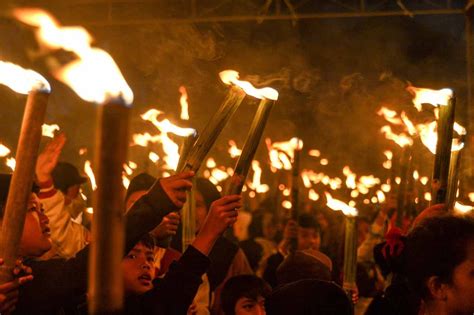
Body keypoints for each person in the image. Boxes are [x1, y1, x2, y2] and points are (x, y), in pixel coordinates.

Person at [8, 170, 195, 314]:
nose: (44, 218)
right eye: (33, 209)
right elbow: (80, 269)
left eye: (149, 257)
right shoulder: (22, 285)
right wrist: (153, 205)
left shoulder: (27, 275)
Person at [35, 134, 90, 259]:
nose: (79, 196)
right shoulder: (45, 225)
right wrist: (44, 179)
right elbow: (58, 232)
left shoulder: (78, 227)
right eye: (77, 189)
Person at [263, 213, 322, 288]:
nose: (312, 241)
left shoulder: (325, 265)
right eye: (304, 235)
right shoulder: (278, 262)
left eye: (315, 236)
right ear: (292, 238)